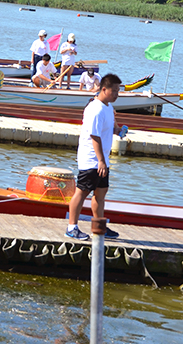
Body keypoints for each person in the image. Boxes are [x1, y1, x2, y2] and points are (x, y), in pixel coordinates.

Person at [65, 73, 126, 241]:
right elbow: (95, 136)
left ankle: (99, 226)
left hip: (102, 160)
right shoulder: (95, 108)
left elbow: (109, 128)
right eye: (114, 91)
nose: (116, 94)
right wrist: (100, 161)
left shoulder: (108, 108)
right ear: (104, 89)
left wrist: (119, 130)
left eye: (118, 91)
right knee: (82, 192)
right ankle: (72, 227)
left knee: (100, 193)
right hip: (91, 159)